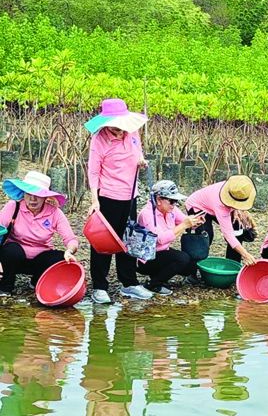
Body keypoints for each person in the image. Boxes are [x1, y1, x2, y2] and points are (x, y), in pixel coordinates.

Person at [85, 98, 151, 303]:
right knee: (103, 240)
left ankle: (129, 283)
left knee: (127, 238)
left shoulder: (132, 132)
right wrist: (94, 200)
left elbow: (137, 151)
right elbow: (93, 171)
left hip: (130, 194)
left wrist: (141, 161)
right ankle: (99, 286)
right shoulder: (99, 139)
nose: (119, 128)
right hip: (108, 195)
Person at [0, 171, 79, 296]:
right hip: (15, 258)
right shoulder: (13, 207)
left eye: (38, 194)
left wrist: (70, 251)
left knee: (59, 257)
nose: (33, 198)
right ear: (23, 193)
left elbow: (70, 239)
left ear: (45, 197)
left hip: (40, 260)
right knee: (11, 251)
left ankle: (37, 281)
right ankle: (6, 286)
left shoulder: (55, 212)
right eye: (29, 193)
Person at [136, 180, 205, 295]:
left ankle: (159, 276)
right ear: (158, 199)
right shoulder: (147, 214)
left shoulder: (170, 210)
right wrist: (184, 225)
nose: (174, 205)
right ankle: (154, 284)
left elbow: (184, 220)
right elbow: (160, 239)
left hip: (162, 252)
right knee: (182, 258)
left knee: (190, 267)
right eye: (171, 201)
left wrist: (195, 222)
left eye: (176, 201)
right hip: (146, 257)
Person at [185, 175, 258, 270]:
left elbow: (234, 200)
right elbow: (228, 234)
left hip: (212, 205)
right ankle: (192, 272)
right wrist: (245, 254)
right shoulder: (220, 204)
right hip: (197, 206)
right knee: (204, 237)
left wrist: (235, 209)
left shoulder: (235, 188)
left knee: (237, 225)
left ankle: (232, 266)